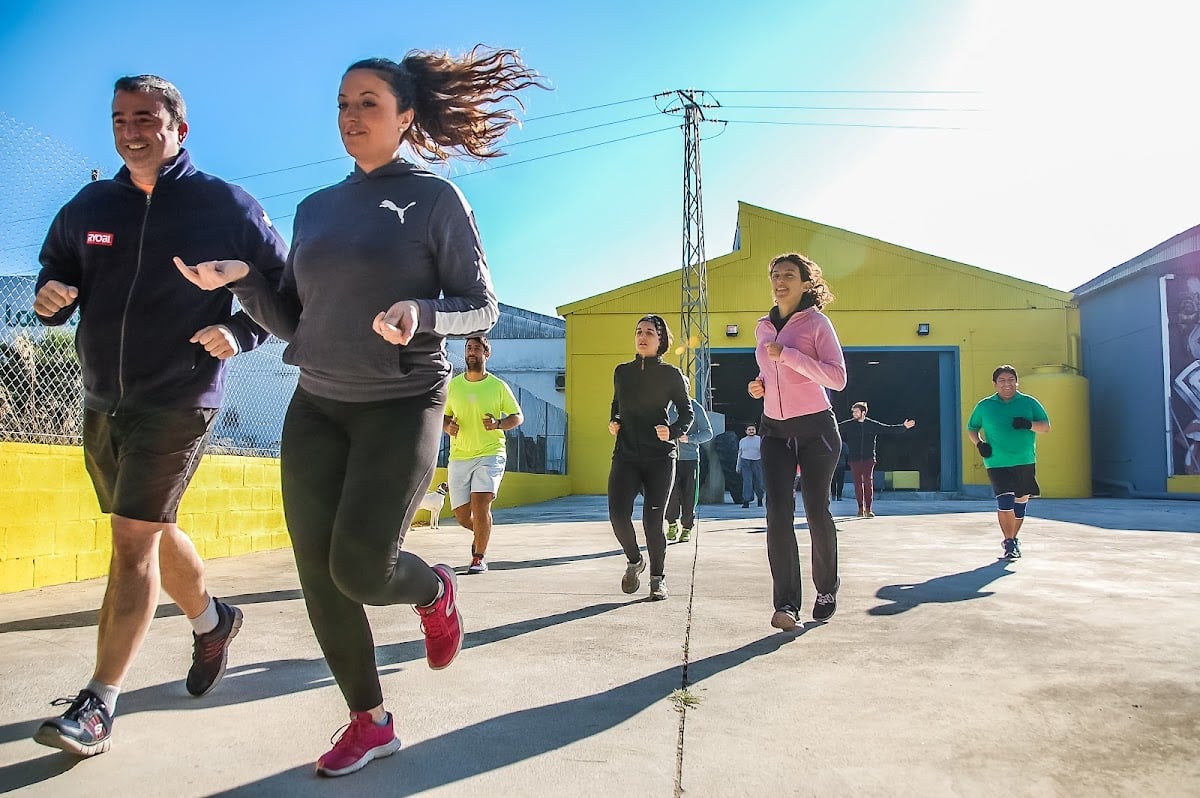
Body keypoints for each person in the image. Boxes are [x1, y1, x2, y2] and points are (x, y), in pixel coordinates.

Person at [177, 47, 544, 777]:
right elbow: (295, 321)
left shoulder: (436, 199)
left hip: (401, 404)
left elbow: (482, 308)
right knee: (318, 574)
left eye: (368, 103)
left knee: (362, 569)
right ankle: (369, 721)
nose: (350, 115)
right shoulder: (315, 209)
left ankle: (434, 588)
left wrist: (421, 312)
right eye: (343, 103)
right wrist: (245, 278)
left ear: (406, 117)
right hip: (316, 403)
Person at [30, 75, 288, 756]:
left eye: (145, 118)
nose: (130, 130)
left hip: (181, 395)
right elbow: (57, 266)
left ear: (180, 128)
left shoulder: (224, 205)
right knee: (145, 527)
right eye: (119, 118)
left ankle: (97, 704)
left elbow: (287, 292)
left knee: (130, 541)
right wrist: (50, 291)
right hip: (103, 395)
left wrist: (242, 334)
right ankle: (212, 621)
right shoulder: (91, 203)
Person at [747, 253, 847, 630]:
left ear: (806, 283)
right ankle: (786, 605)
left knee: (816, 510)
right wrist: (759, 386)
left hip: (816, 429)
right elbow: (767, 370)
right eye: (775, 275)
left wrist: (788, 356)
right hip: (774, 429)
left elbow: (837, 379)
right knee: (776, 514)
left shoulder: (818, 323)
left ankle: (826, 587)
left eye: (789, 275)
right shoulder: (762, 327)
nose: (780, 280)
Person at [608, 314, 693, 601]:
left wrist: (671, 431)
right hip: (626, 455)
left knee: (652, 521)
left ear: (661, 340)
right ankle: (635, 560)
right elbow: (617, 403)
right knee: (618, 516)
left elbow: (686, 412)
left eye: (650, 333)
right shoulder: (622, 371)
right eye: (639, 331)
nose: (643, 337)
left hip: (660, 457)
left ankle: (658, 579)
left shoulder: (671, 375)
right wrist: (614, 421)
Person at [443, 335, 524, 574]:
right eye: (468, 348)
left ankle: (478, 557)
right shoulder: (454, 386)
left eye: (477, 348)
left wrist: (499, 423)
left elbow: (517, 416)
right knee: (460, 515)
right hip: (459, 456)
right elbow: (443, 416)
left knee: (480, 505)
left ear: (486, 354)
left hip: (491, 453)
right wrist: (448, 427)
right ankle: (482, 532)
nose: (471, 352)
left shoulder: (498, 386)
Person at [966, 365, 1050, 560]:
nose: (1007, 384)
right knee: (1005, 502)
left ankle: (1013, 538)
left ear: (1016, 382)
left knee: (1020, 503)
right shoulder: (985, 406)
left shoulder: (1029, 403)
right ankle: (1009, 542)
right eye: (1002, 380)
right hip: (996, 461)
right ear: (995, 384)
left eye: (1011, 379)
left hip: (1024, 460)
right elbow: (972, 428)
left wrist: (1028, 424)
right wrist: (979, 443)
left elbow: (1045, 427)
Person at [838, 402, 916, 517]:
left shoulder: (871, 424)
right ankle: (860, 508)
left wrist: (903, 427)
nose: (854, 414)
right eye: (853, 412)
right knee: (858, 484)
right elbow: (835, 427)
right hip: (854, 459)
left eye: (856, 411)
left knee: (868, 483)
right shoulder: (849, 425)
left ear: (863, 413)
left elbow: (888, 429)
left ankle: (869, 509)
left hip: (868, 458)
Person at [665, 392, 713, 543]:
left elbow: (708, 433)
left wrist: (690, 439)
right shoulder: (667, 407)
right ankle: (672, 524)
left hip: (690, 459)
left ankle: (687, 528)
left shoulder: (695, 408)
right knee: (670, 494)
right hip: (669, 458)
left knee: (688, 495)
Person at [736, 424, 765, 508]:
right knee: (747, 482)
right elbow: (739, 453)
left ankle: (760, 499)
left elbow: (763, 453)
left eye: (753, 429)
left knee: (759, 482)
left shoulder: (759, 439)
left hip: (757, 461)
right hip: (745, 461)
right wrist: (738, 466)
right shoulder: (742, 441)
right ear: (746, 431)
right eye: (749, 429)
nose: (751, 431)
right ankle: (746, 501)